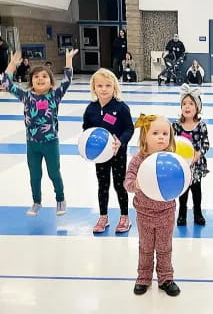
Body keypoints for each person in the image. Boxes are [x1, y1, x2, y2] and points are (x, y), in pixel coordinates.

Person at [0, 49, 78, 216]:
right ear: (31, 82)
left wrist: (68, 60)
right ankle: (36, 202)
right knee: (34, 175)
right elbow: (6, 83)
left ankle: (61, 200)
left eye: (44, 76)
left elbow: (66, 80)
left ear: (51, 82)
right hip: (32, 144)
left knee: (54, 173)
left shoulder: (55, 95)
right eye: (36, 77)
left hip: (51, 143)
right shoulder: (26, 96)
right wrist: (12, 65)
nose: (40, 78)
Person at [124, 114, 181, 297]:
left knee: (165, 248)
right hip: (144, 213)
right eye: (155, 133)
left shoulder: (172, 159)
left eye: (165, 133)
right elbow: (127, 182)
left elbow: (181, 180)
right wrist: (137, 184)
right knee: (146, 247)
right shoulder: (138, 160)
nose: (161, 137)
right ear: (145, 137)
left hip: (166, 213)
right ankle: (143, 277)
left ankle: (166, 278)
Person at [83, 68, 134, 234]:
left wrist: (121, 141)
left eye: (108, 85)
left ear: (114, 87)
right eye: (100, 85)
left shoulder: (121, 107)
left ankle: (125, 216)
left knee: (120, 185)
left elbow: (129, 128)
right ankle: (103, 216)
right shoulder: (91, 109)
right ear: (94, 88)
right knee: (102, 185)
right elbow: (87, 130)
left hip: (117, 153)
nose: (104, 89)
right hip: (100, 156)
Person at [173, 84, 210, 226]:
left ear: (197, 108)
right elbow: (171, 143)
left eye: (191, 104)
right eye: (184, 104)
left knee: (196, 190)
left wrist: (198, 154)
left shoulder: (201, 126)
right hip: (181, 165)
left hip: (196, 164)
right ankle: (182, 213)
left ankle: (197, 213)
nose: (187, 107)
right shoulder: (176, 125)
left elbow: (206, 144)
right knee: (183, 191)